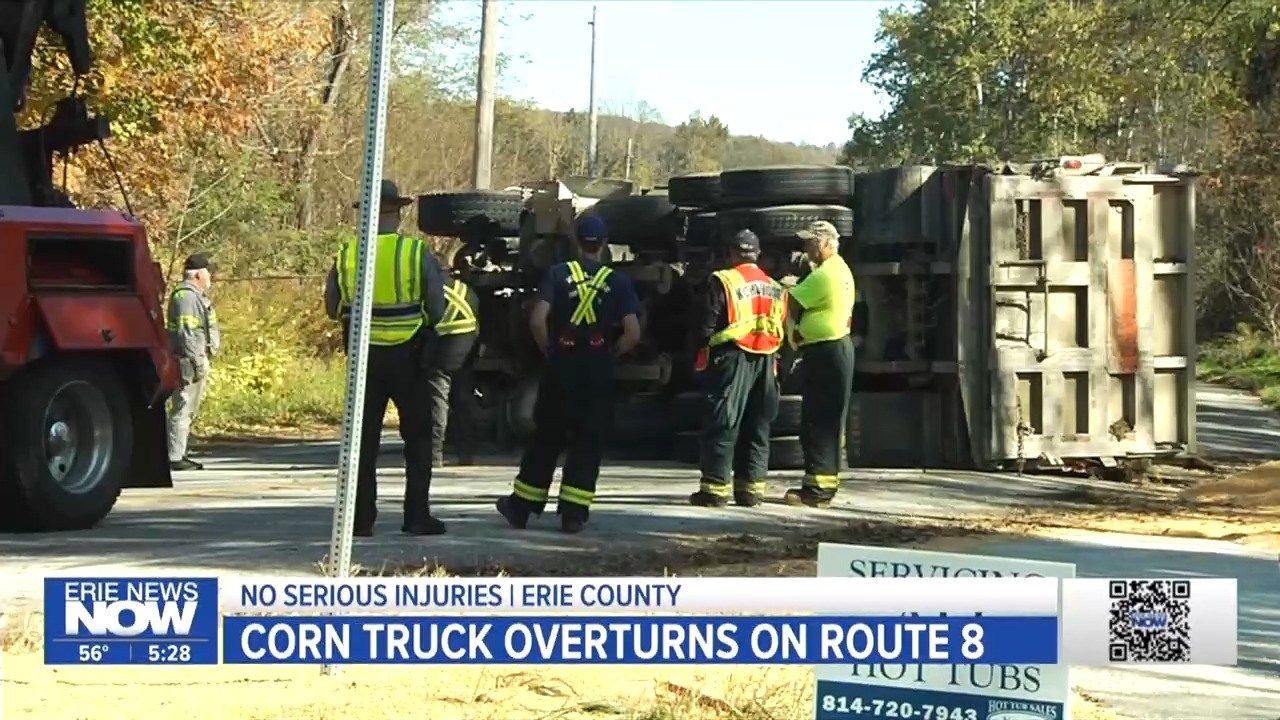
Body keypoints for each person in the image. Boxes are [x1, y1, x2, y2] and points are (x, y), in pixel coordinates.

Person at [495, 214, 641, 534]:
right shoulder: (617, 282)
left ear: (576, 241)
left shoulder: (557, 274)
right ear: (603, 244)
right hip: (597, 367)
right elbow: (632, 332)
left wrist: (550, 350)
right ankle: (573, 513)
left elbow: (537, 320)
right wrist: (610, 354)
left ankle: (521, 508)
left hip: (562, 364)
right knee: (588, 440)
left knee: (547, 436)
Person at [324, 179, 447, 536]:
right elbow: (437, 307)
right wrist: (420, 322)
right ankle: (416, 516)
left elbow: (332, 307)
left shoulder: (348, 252)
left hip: (365, 359)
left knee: (362, 441)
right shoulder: (415, 252)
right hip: (409, 356)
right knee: (419, 439)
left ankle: (360, 520)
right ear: (396, 212)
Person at [687, 230, 788, 508]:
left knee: (723, 422)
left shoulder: (723, 280)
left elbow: (706, 324)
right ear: (757, 254)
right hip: (768, 359)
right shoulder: (775, 286)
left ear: (731, 253)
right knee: (758, 424)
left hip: (732, 358)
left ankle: (715, 490)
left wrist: (700, 349)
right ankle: (751, 490)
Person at [783, 220, 856, 508]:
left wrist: (784, 287)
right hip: (831, 349)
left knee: (818, 420)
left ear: (825, 243)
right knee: (824, 418)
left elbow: (790, 302)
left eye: (810, 242)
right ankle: (820, 484)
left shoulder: (825, 274)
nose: (805, 248)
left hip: (827, 351)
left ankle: (818, 490)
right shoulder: (837, 269)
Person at [166, 253, 221, 471]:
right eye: (209, 271)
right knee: (183, 406)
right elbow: (186, 333)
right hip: (188, 360)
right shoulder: (186, 297)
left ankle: (179, 451)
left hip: (194, 358)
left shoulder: (194, 295)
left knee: (189, 408)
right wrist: (198, 361)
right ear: (199, 274)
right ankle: (174, 456)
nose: (211, 276)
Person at [424, 261, 480, 467]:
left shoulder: (431, 289)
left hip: (441, 350)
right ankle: (466, 453)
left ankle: (434, 454)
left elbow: (427, 319)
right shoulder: (465, 288)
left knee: (438, 402)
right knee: (463, 401)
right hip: (466, 350)